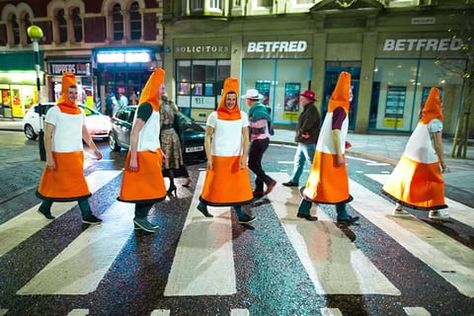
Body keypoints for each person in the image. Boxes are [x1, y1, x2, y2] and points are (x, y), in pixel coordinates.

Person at [36, 72, 103, 224]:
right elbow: (47, 136)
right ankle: (86, 214)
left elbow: (85, 133)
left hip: (76, 155)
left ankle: (45, 207)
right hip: (59, 155)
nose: (73, 95)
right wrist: (49, 158)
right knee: (67, 184)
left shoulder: (80, 111)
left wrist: (94, 149)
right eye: (70, 92)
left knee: (69, 184)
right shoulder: (54, 111)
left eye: (75, 93)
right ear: (64, 93)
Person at [298, 72, 359, 225]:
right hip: (331, 155)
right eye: (349, 91)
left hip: (325, 153)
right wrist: (339, 153)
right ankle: (342, 215)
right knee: (338, 184)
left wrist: (342, 143)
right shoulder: (340, 109)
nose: (351, 93)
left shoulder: (334, 107)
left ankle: (305, 210)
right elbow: (336, 131)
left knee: (319, 182)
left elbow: (333, 131)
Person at [383, 87, 449, 220]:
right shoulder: (436, 121)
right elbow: (438, 144)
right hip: (425, 156)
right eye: (441, 103)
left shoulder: (424, 119)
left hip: (411, 154)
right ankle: (435, 211)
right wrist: (443, 163)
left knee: (410, 180)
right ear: (438, 104)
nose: (442, 106)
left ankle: (399, 207)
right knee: (436, 182)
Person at [196, 77, 255, 224]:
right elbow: (207, 138)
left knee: (236, 187)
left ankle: (240, 214)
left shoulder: (243, 116)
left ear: (236, 100)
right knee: (215, 184)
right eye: (228, 99)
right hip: (219, 157)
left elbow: (246, 138)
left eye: (233, 99)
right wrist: (209, 158)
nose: (230, 102)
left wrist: (244, 157)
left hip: (235, 157)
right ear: (223, 98)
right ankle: (202, 204)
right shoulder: (214, 116)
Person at [118, 68, 167, 233]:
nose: (164, 89)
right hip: (143, 155)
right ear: (154, 88)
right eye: (161, 86)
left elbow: (151, 133)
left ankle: (140, 219)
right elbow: (135, 132)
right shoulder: (147, 107)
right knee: (157, 190)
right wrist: (133, 158)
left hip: (151, 153)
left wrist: (160, 150)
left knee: (145, 190)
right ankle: (140, 217)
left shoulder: (153, 107)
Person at [282, 90, 321, 187]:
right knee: (299, 161)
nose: (300, 100)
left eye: (302, 98)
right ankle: (294, 180)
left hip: (308, 141)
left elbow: (308, 123)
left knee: (312, 162)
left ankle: (317, 183)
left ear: (308, 100)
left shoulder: (311, 110)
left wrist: (303, 132)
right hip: (304, 141)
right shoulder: (308, 109)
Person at [242, 88, 276, 199]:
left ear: (249, 100)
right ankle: (259, 189)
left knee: (252, 164)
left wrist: (248, 127)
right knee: (257, 164)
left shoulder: (258, 110)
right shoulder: (258, 108)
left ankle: (269, 181)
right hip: (263, 140)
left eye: (247, 99)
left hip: (260, 140)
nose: (246, 101)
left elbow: (259, 128)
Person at [159, 84, 192, 197]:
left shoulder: (161, 106)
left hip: (165, 135)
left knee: (166, 162)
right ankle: (175, 182)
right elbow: (179, 117)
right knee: (176, 160)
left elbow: (160, 123)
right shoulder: (170, 104)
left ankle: (170, 184)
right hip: (174, 135)